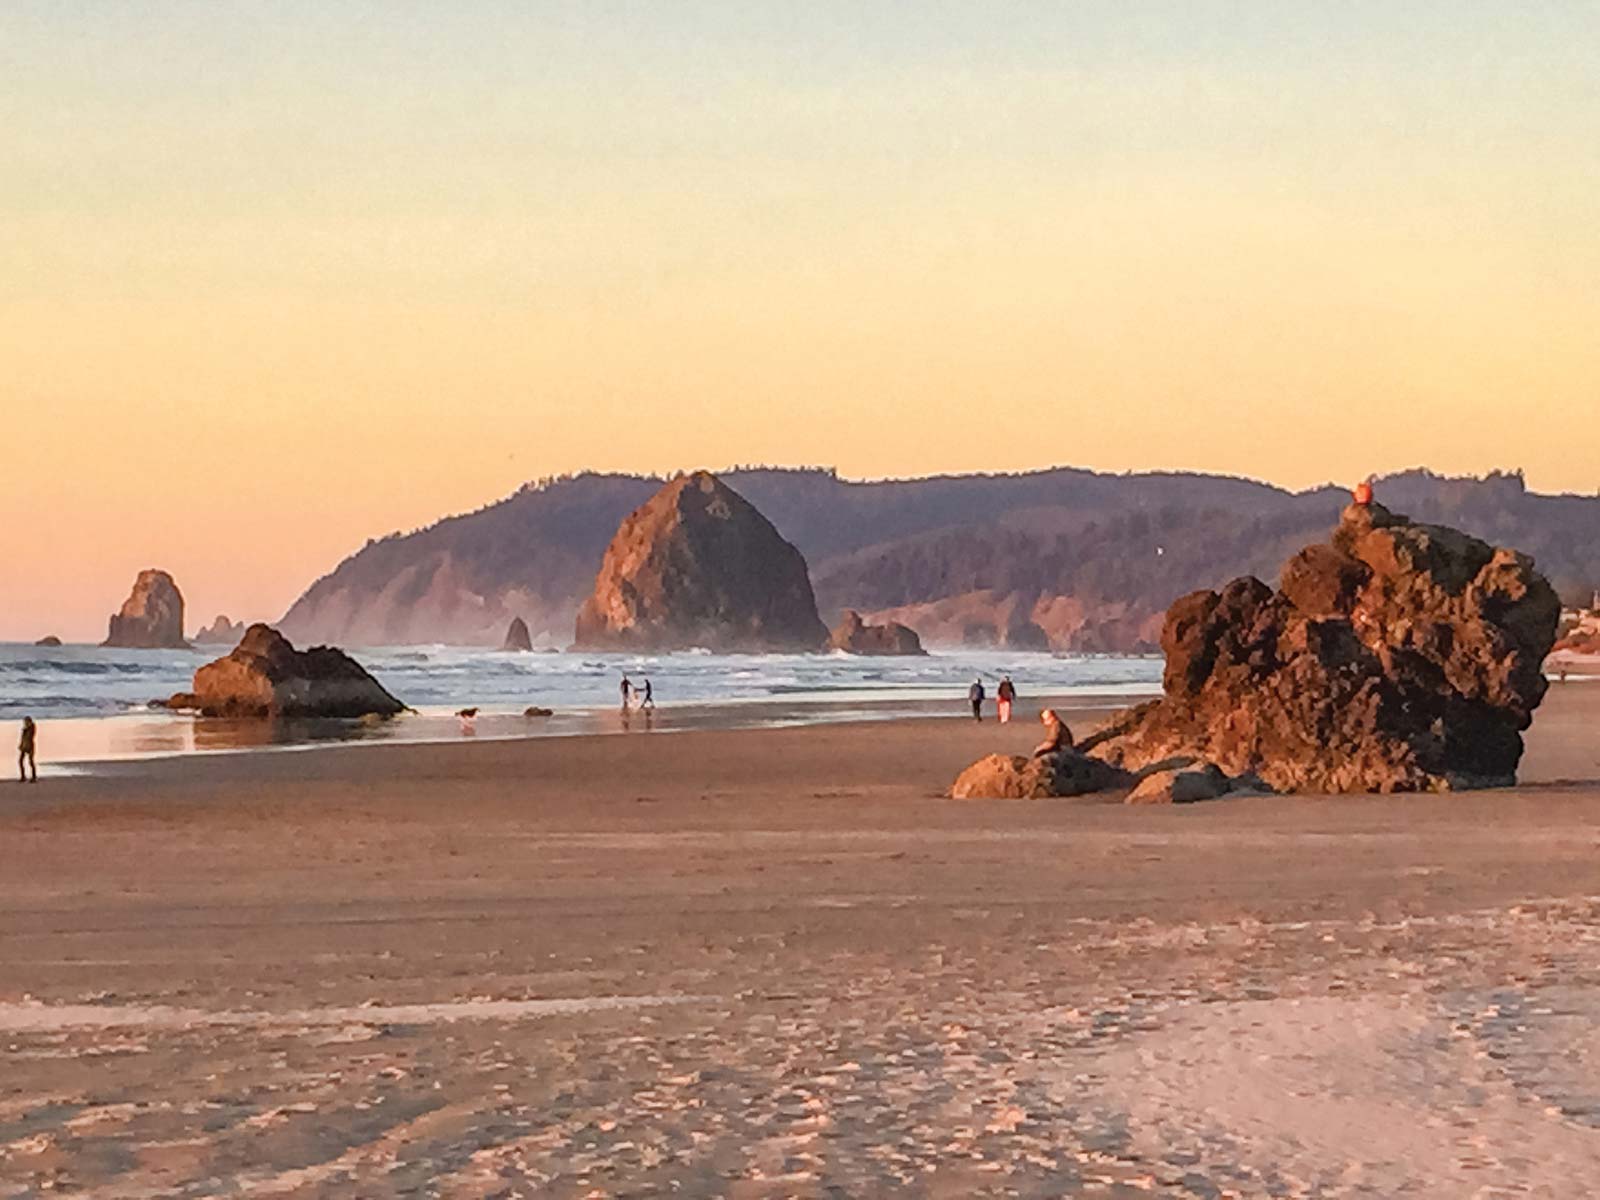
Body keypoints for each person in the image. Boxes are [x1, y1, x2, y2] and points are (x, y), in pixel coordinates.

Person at [19, 717, 37, 783]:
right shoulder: (25, 729)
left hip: (30, 746)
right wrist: (21, 745)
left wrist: (27, 728)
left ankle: (34, 777)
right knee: (20, 761)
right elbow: (22, 738)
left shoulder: (32, 727)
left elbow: (30, 736)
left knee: (31, 761)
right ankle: (23, 776)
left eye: (26, 721)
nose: (25, 723)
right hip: (24, 746)